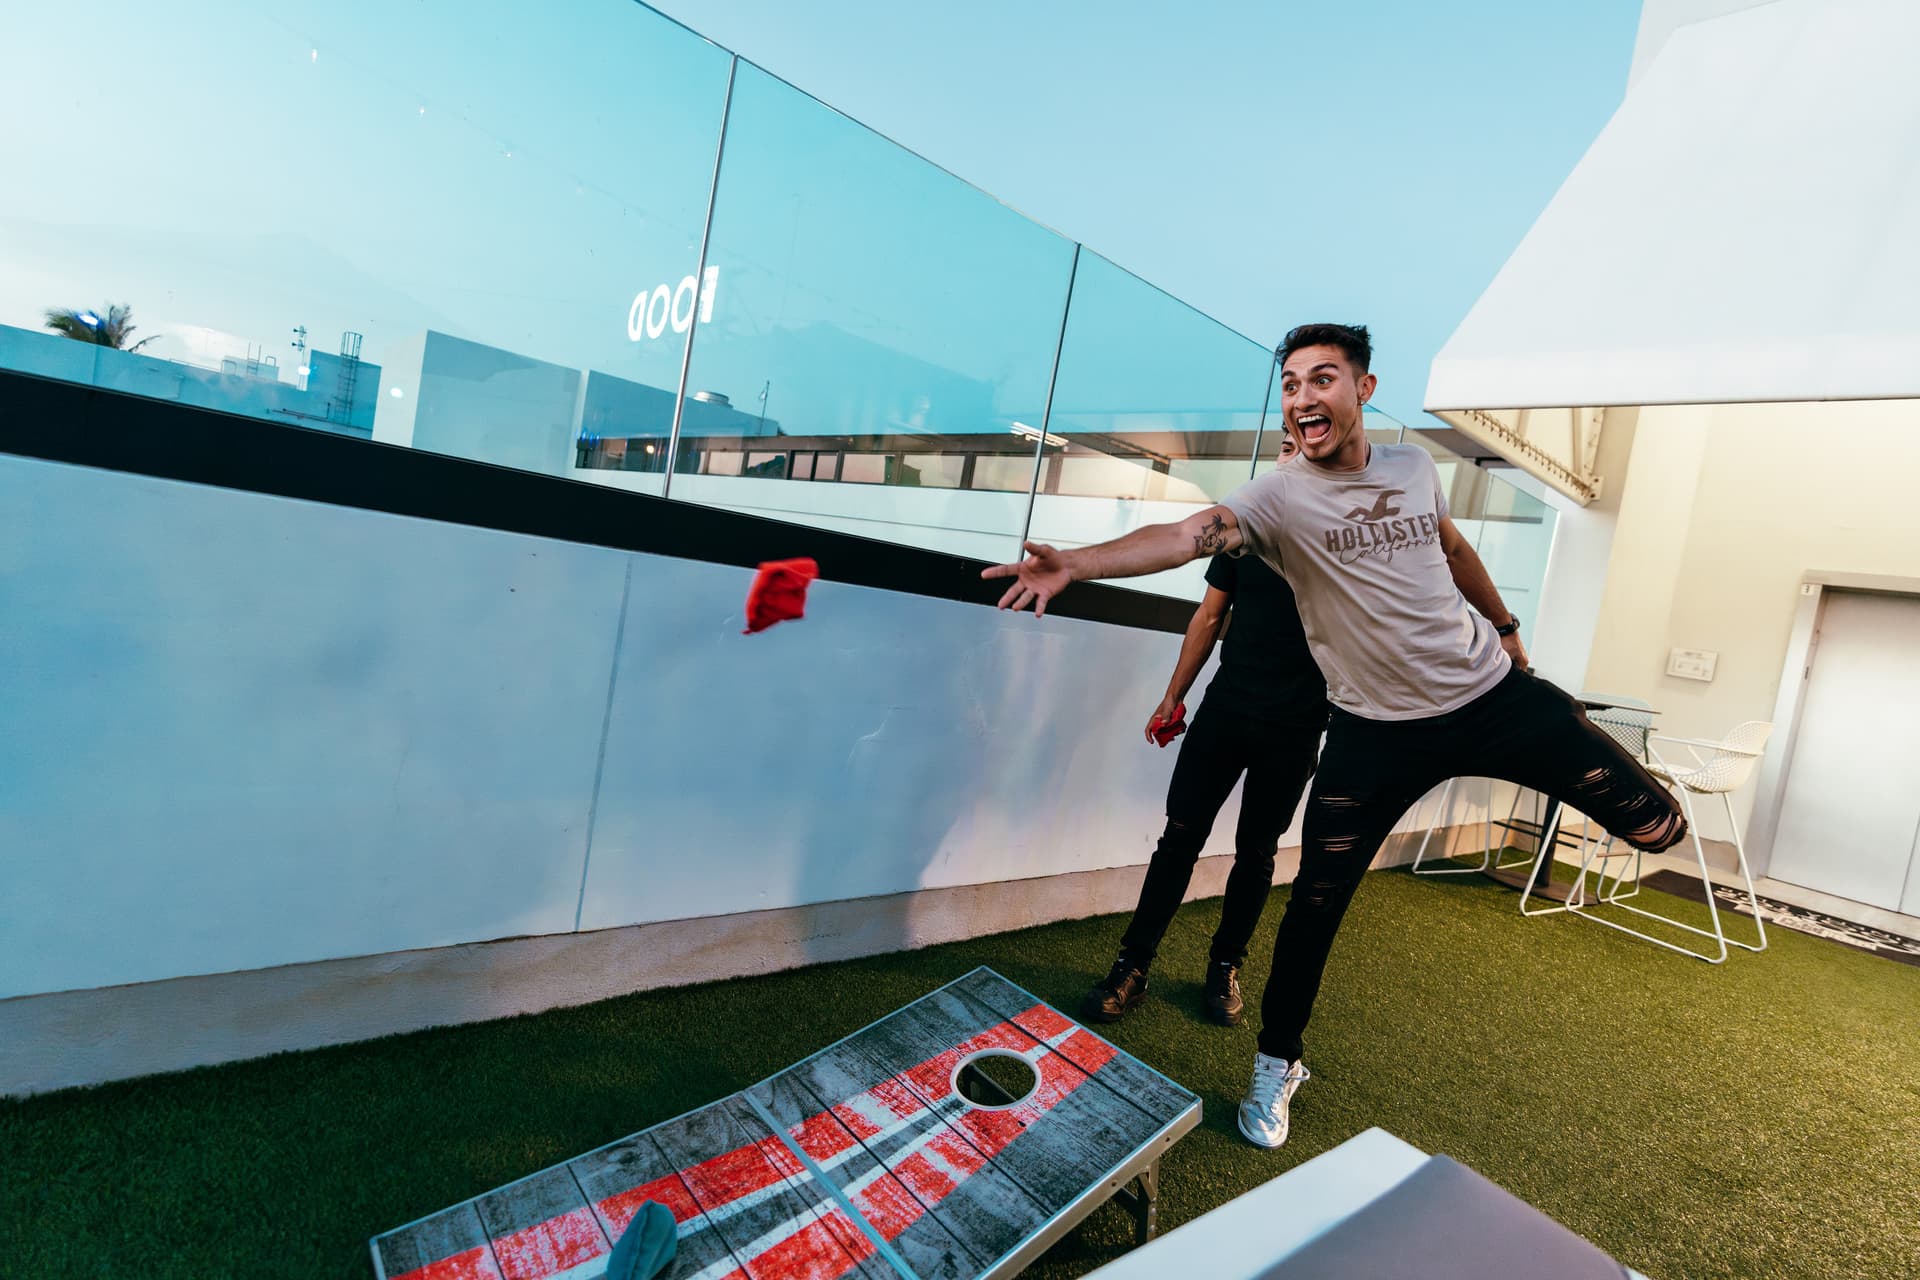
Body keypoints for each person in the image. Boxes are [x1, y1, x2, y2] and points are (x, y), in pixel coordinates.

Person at [984, 323, 1688, 1150]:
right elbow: (1184, 537)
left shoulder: (1413, 468)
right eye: (1290, 385)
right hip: (1373, 734)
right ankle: (1276, 1064)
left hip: (1489, 696)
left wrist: (1503, 625)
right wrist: (1078, 563)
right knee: (1314, 907)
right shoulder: (1274, 498)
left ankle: (1619, 784)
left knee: (1659, 828)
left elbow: (1453, 546)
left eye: (1322, 379)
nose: (1303, 397)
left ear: (1363, 389)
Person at [1082, 433, 1329, 1031]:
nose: (1286, 458)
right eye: (1283, 449)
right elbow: (1209, 616)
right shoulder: (1245, 534)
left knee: (1257, 852)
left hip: (1296, 725)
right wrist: (1173, 696)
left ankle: (1225, 967)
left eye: (1299, 450)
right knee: (1180, 837)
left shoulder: (1340, 549)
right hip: (1227, 712)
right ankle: (1132, 967)